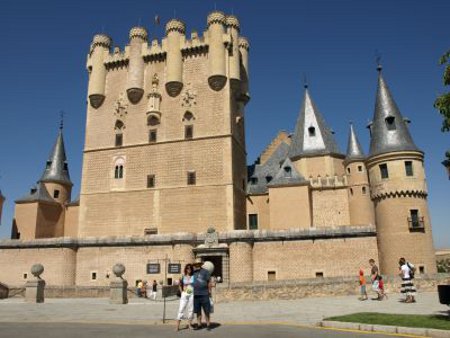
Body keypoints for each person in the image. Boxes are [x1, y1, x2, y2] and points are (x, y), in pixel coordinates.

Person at [192, 258, 212, 330]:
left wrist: (209, 291)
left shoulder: (205, 272)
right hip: (195, 294)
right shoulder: (193, 272)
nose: (197, 265)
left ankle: (208, 324)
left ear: (200, 264)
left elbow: (209, 282)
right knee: (198, 311)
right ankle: (199, 324)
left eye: (198, 264)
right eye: (196, 264)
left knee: (206, 310)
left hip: (204, 294)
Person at [176, 264, 195, 331]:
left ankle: (189, 324)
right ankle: (177, 326)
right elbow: (179, 285)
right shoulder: (183, 276)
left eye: (190, 268)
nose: (189, 270)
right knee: (181, 309)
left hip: (191, 293)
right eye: (187, 268)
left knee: (191, 309)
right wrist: (182, 292)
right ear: (186, 269)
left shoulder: (193, 276)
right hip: (184, 294)